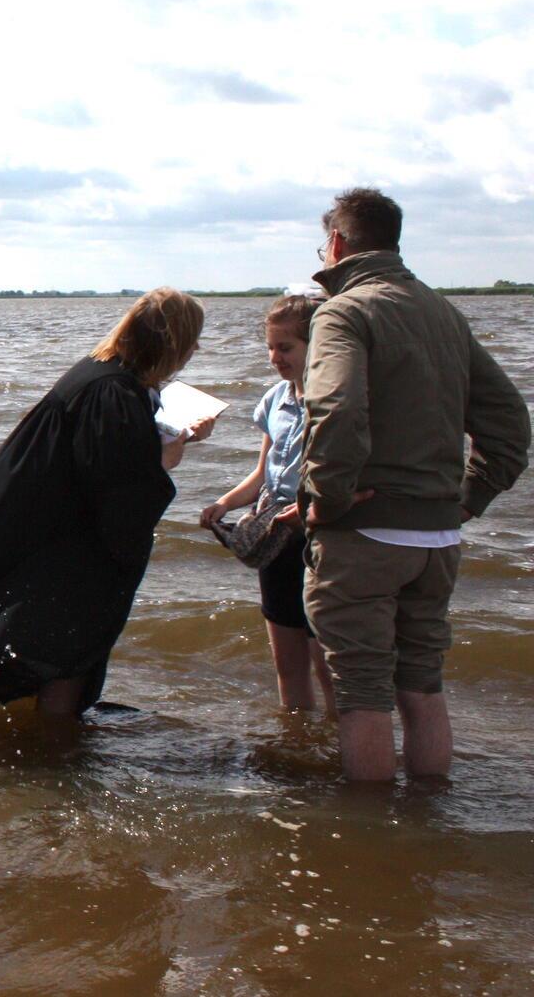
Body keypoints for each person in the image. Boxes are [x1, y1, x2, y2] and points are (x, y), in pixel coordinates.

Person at [0, 288, 215, 738]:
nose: (196, 351)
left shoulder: (99, 372)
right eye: (193, 341)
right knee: (72, 641)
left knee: (40, 635)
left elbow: (99, 458)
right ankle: (57, 745)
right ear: (174, 342)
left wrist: (162, 441)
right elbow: (119, 488)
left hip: (26, 524)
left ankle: (45, 737)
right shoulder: (114, 392)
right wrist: (166, 459)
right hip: (64, 542)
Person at [301, 188, 528, 781]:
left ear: (337, 243)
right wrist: (465, 500)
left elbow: (337, 409)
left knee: (362, 693)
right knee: (423, 687)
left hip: (365, 534)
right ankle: (429, 829)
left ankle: (372, 848)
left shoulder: (344, 311)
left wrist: (327, 498)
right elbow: (509, 425)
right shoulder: (442, 311)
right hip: (436, 538)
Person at [200, 296, 334, 715]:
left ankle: (337, 749)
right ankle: (296, 747)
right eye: (271, 347)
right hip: (276, 536)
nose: (276, 357)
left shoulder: (334, 400)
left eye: (286, 347)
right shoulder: (275, 399)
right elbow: (262, 474)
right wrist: (223, 503)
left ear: (318, 344)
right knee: (286, 662)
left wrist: (306, 510)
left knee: (327, 664)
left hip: (319, 535)